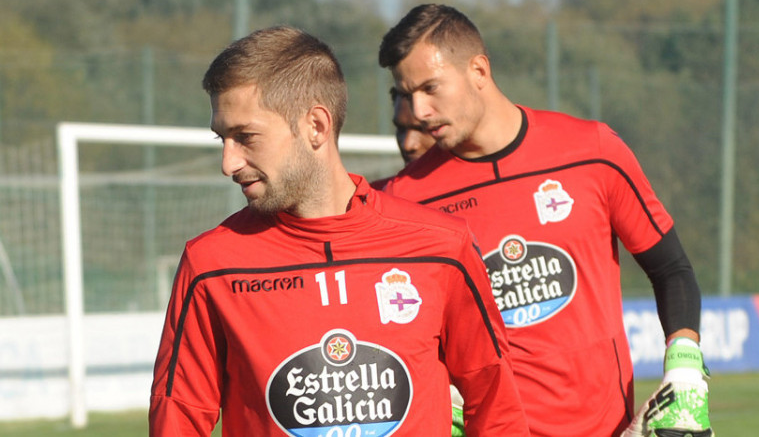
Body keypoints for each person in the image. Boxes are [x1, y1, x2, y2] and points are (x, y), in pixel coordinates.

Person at [149, 25, 531, 436]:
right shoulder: (211, 264)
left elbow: (495, 404)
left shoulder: (442, 245)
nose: (228, 162)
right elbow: (178, 418)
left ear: (316, 125)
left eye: (245, 137)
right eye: (222, 139)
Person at [378, 4, 713, 437]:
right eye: (407, 94)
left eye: (430, 88)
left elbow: (671, 268)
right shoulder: (405, 199)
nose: (419, 111)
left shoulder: (592, 150)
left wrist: (684, 366)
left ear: (478, 70)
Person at [371, 90, 436, 189]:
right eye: (401, 129)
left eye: (421, 129)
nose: (407, 145)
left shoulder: (467, 194)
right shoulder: (375, 196)